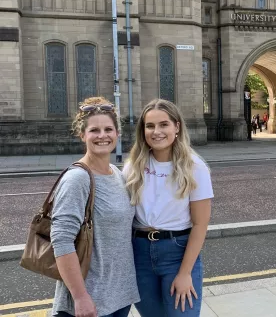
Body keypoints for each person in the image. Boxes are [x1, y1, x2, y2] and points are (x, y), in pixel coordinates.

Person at [51, 97, 140, 317]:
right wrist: (80, 297)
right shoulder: (77, 179)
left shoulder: (117, 174)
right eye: (94, 130)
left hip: (119, 297)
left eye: (108, 129)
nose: (102, 135)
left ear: (117, 134)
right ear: (82, 135)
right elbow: (61, 240)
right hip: (90, 302)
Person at [124, 99, 213, 317]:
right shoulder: (133, 166)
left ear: (177, 126)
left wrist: (185, 273)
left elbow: (200, 224)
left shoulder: (195, 167)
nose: (156, 132)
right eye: (150, 126)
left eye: (164, 125)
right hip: (139, 253)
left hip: (177, 253)